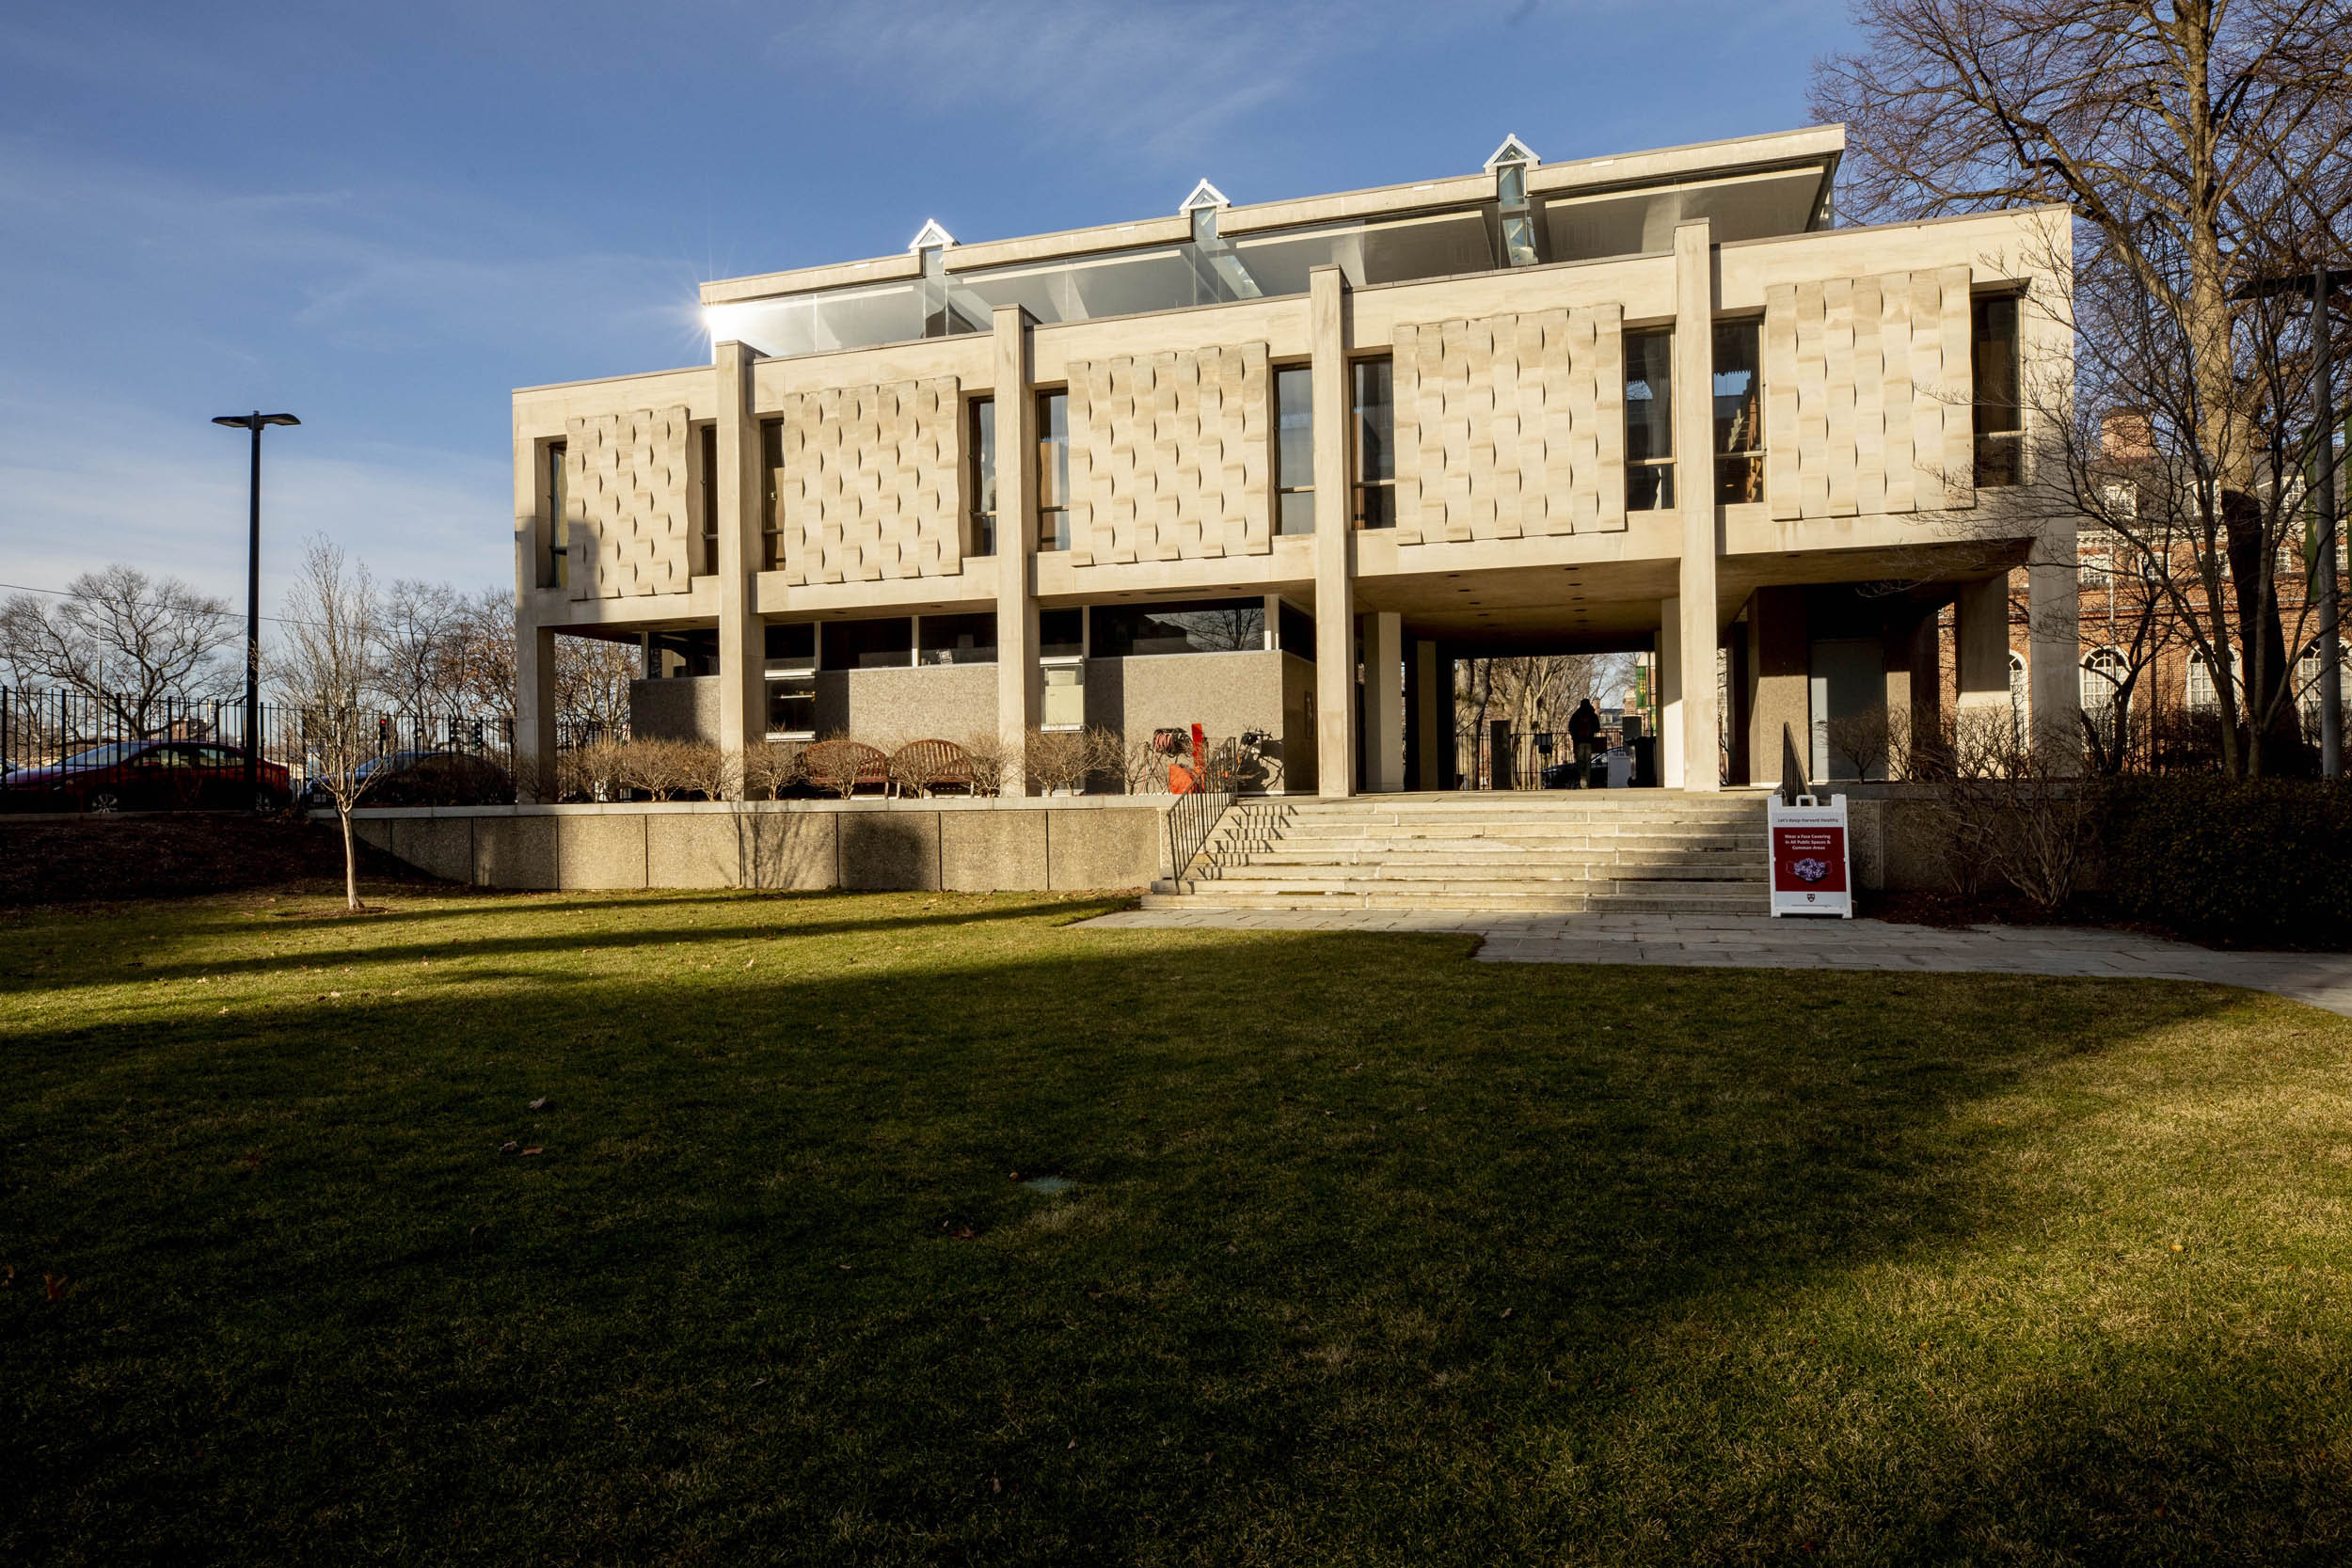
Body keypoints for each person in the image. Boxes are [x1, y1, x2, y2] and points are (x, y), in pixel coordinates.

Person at [1566, 698, 1601, 788]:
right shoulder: (1592, 715)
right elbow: (1597, 728)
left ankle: (1582, 779)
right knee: (1588, 762)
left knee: (1580, 761)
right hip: (1589, 741)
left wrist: (1574, 737)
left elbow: (1570, 727)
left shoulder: (1576, 715)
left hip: (1578, 742)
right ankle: (1587, 782)